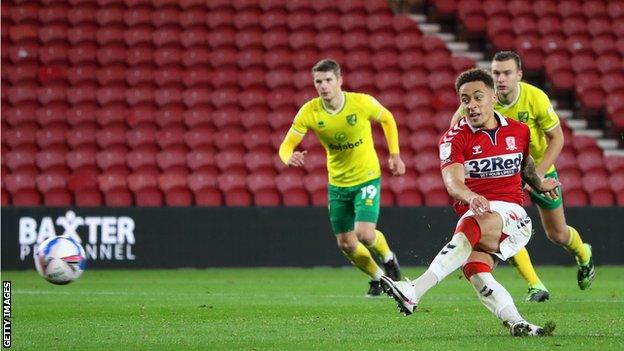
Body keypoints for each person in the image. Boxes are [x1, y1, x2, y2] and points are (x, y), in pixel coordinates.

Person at [381, 68, 558, 336]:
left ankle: (414, 290)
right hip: (476, 210)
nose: (471, 105)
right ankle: (517, 322)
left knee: (472, 229)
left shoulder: (520, 131)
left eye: (478, 97)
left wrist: (540, 184)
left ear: (494, 98)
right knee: (476, 270)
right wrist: (471, 196)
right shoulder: (453, 138)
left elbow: (526, 165)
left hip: (511, 213)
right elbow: (452, 183)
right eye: (465, 100)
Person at [449, 51, 595, 301]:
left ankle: (584, 255)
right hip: (501, 175)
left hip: (538, 169)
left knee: (557, 234)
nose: (501, 78)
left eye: (507, 73)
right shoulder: (479, 102)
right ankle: (536, 285)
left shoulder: (535, 98)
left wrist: (536, 176)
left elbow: (557, 138)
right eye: (496, 73)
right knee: (506, 226)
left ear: (519, 75)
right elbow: (454, 136)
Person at [278, 59, 406, 296]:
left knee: (365, 234)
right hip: (337, 184)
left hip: (367, 177)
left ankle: (389, 258)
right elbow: (286, 146)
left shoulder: (360, 103)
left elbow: (387, 118)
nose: (324, 86)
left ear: (339, 81)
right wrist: (289, 157)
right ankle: (380, 278)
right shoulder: (310, 111)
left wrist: (395, 155)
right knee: (346, 243)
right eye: (319, 81)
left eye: (328, 80)